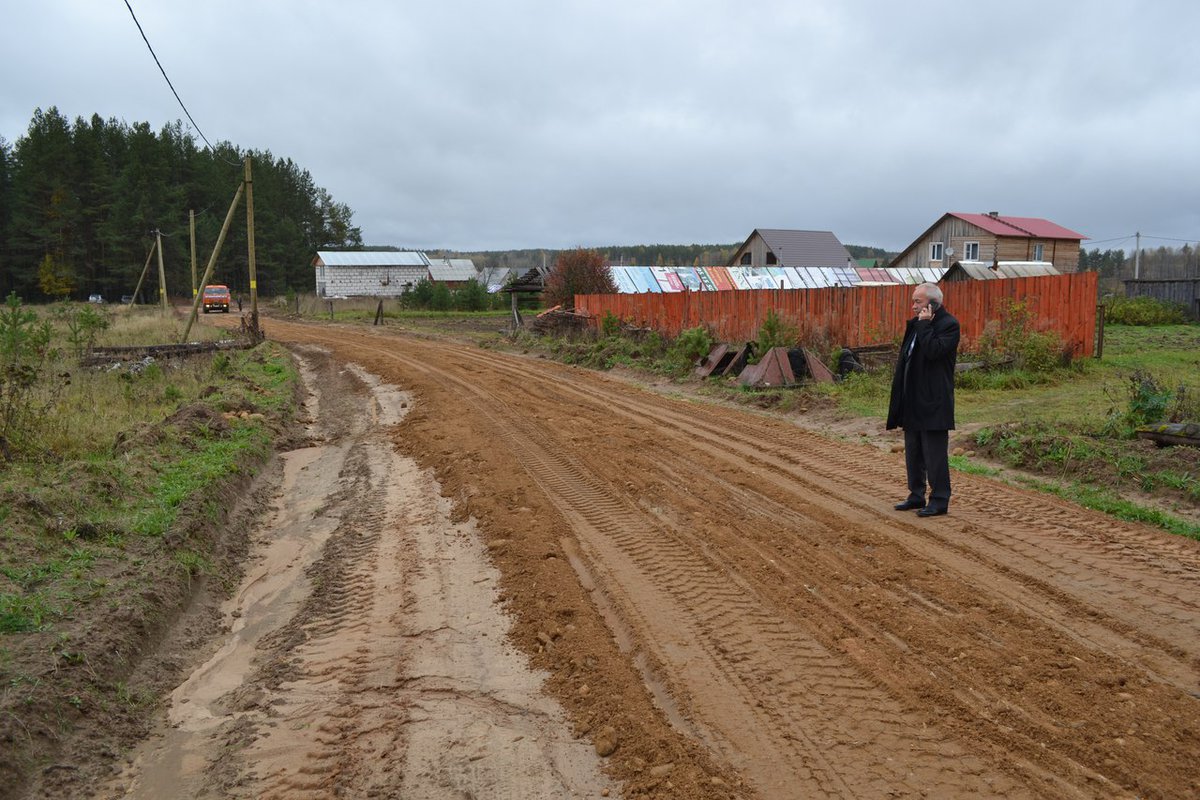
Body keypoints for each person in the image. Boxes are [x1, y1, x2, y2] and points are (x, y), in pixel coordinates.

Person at [886, 282, 960, 517]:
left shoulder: (948, 325)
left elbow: (934, 351)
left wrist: (925, 325)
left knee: (934, 454)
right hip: (913, 400)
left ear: (933, 303)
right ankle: (916, 495)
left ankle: (939, 500)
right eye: (914, 301)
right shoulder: (918, 324)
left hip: (934, 401)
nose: (913, 306)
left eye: (918, 302)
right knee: (914, 451)